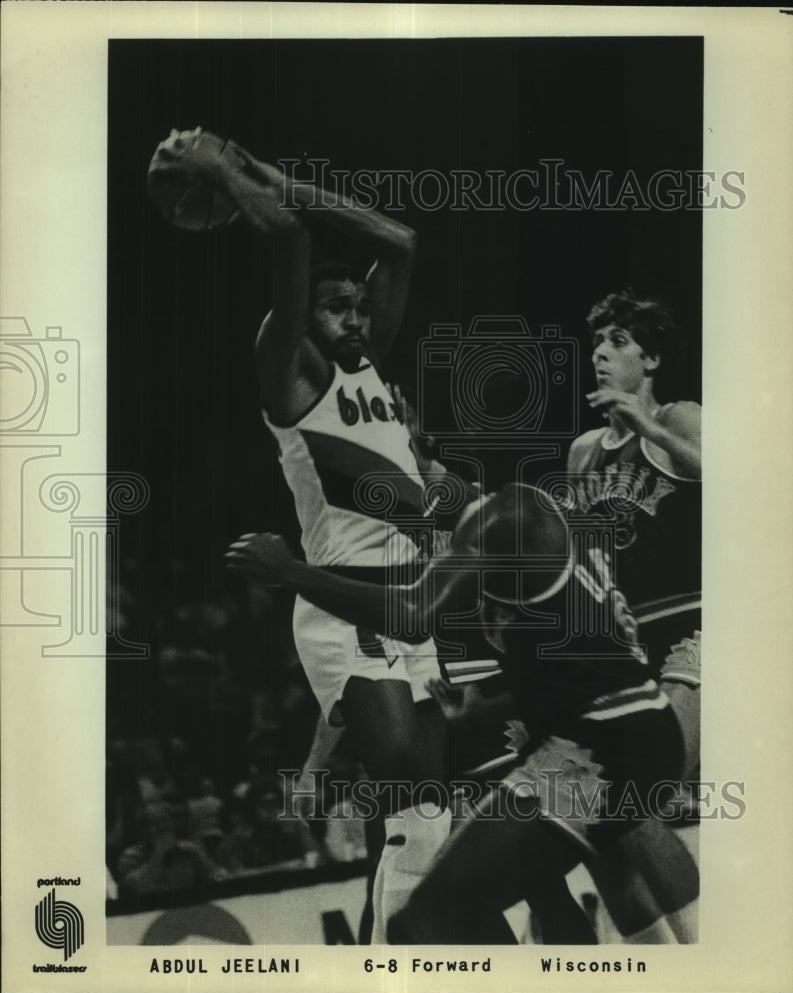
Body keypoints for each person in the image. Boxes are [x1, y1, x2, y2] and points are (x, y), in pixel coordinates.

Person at [154, 127, 450, 941]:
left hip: (411, 604)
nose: (354, 320)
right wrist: (232, 176)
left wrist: (271, 172)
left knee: (423, 820)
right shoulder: (288, 372)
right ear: (301, 321)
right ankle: (386, 969)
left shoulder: (368, 367)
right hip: (343, 602)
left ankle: (400, 955)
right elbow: (289, 237)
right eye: (334, 307)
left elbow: (399, 239)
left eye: (360, 308)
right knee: (413, 807)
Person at [226, 482, 687, 943]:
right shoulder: (511, 540)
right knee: (480, 902)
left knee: (442, 913)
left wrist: (290, 571)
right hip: (594, 730)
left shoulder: (500, 521)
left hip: (597, 740)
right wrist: (485, 709)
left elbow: (410, 615)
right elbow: (568, 659)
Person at [564, 290, 701, 942]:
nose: (598, 353)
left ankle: (706, 955)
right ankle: (656, 967)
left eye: (615, 342)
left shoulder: (682, 416)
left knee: (632, 795)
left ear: (647, 357)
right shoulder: (583, 451)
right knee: (590, 809)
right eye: (594, 344)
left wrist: (647, 428)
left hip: (695, 628)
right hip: (623, 644)